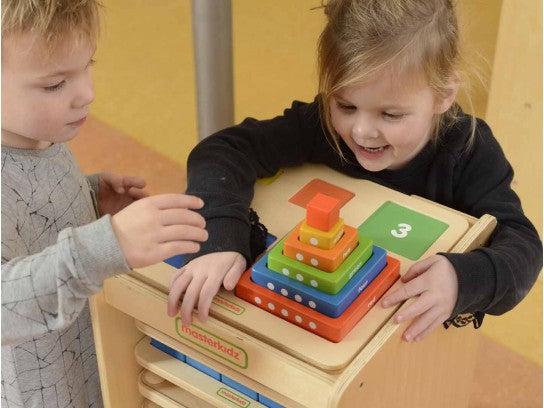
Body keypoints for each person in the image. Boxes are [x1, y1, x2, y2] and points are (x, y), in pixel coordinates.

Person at [168, 0, 542, 344]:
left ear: (443, 94)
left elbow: (524, 248)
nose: (361, 131)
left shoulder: (469, 152)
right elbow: (222, 151)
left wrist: (461, 280)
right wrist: (218, 238)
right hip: (311, 334)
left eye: (390, 115)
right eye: (345, 105)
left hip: (409, 345)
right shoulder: (322, 127)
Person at [1, 1, 209, 406]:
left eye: (87, 65)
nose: (87, 94)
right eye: (54, 84)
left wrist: (89, 196)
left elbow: (33, 211)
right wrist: (103, 245)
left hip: (87, 354)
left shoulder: (37, 134)